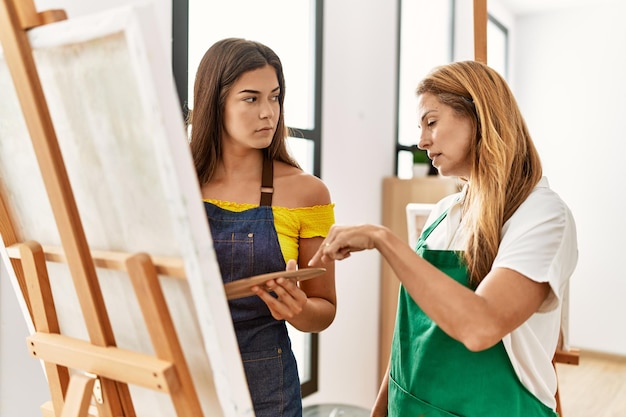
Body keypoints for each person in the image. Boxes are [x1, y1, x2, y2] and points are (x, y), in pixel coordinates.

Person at [309, 60, 578, 417]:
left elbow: (481, 326)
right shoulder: (442, 214)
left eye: (432, 122)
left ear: (479, 115)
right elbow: (409, 345)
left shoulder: (542, 216)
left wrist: (383, 239)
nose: (422, 141)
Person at [188, 38, 337, 417]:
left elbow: (326, 308)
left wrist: (299, 309)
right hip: (188, 374)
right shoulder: (176, 183)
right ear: (214, 102)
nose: (268, 113)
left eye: (275, 97)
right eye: (251, 99)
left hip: (267, 388)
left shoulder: (307, 191)